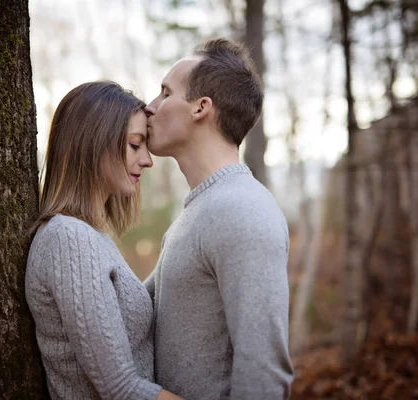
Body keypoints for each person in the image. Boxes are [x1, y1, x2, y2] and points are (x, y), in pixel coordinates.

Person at [144, 39, 294, 399]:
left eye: (165, 93)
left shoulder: (242, 211)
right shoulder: (202, 209)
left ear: (201, 108)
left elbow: (264, 376)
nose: (150, 108)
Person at [26, 81, 182, 400]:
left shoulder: (91, 235)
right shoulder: (68, 239)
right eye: (134, 145)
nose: (148, 160)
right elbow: (120, 388)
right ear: (93, 143)